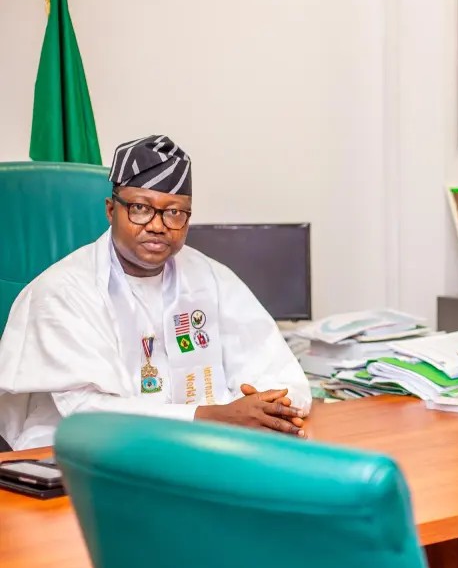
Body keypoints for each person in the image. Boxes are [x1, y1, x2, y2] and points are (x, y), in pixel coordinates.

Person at [0, 135, 312, 450]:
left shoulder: (211, 277)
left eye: (174, 212)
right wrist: (213, 417)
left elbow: (279, 372)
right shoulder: (63, 291)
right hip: (83, 455)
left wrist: (270, 408)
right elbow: (86, 411)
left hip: (202, 449)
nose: (158, 225)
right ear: (111, 210)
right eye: (140, 208)